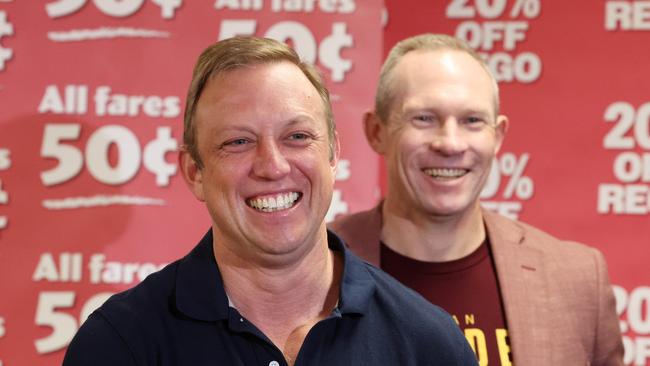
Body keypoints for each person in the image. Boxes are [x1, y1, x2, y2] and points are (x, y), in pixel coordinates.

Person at [62, 36, 478, 366]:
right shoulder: (120, 344)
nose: (273, 166)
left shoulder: (428, 342)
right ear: (195, 172)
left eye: (297, 137)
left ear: (332, 155)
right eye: (238, 142)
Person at [329, 33, 624, 366]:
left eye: (472, 121)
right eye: (424, 118)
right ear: (376, 131)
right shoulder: (311, 267)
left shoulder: (578, 279)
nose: (450, 143)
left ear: (497, 136)